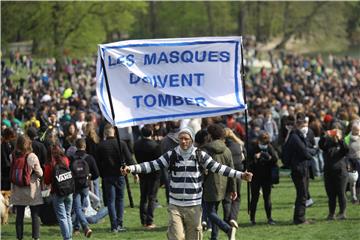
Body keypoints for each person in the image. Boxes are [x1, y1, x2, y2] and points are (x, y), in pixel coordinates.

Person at [121, 127, 253, 240]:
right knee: (177, 237)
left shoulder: (200, 155)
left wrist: (241, 175)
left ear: (191, 140)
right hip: (175, 205)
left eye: (186, 139)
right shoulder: (171, 155)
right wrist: (131, 168)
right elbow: (152, 165)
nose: (183, 141)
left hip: (194, 206)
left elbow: (220, 168)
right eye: (181, 139)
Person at [96, 123, 137, 232]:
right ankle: (119, 223)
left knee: (111, 201)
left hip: (107, 176)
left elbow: (97, 163)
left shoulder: (101, 146)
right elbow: (129, 159)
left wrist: (101, 174)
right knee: (120, 200)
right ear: (114, 131)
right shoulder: (121, 144)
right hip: (120, 175)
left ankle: (114, 226)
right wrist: (135, 173)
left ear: (105, 133)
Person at [202, 124, 238, 240]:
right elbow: (231, 170)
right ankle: (214, 237)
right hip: (224, 185)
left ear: (210, 135)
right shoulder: (227, 150)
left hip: (209, 184)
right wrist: (233, 189)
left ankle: (227, 229)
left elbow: (202, 169)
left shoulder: (205, 149)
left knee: (208, 212)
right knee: (214, 211)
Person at [283, 113, 316, 224]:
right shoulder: (295, 137)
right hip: (299, 169)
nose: (304, 127)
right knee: (302, 195)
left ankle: (301, 217)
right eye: (302, 124)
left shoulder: (298, 135)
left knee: (303, 194)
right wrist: (312, 152)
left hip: (303, 168)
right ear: (298, 125)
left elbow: (309, 148)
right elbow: (305, 152)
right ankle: (299, 219)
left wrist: (311, 151)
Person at [10, 135, 43, 240]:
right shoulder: (32, 156)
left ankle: (19, 237)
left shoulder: (13, 156)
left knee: (19, 216)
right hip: (31, 189)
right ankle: (35, 237)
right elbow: (40, 173)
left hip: (17, 189)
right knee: (35, 215)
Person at [133, 125, 162, 228]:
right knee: (152, 197)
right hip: (154, 174)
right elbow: (159, 162)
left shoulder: (136, 145)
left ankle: (143, 220)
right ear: (152, 133)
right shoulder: (156, 145)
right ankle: (149, 221)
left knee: (143, 197)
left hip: (142, 172)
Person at [44, 145, 74, 240]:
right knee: (68, 215)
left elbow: (47, 181)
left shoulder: (50, 165)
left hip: (57, 193)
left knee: (62, 217)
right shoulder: (66, 160)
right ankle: (70, 237)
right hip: (69, 191)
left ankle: (67, 238)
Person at [319, 123, 349, 220]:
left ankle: (342, 213)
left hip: (340, 172)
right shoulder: (327, 144)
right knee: (331, 194)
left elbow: (346, 149)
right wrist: (324, 136)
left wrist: (339, 139)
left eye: (337, 131)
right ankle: (331, 213)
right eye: (333, 131)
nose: (334, 133)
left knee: (341, 193)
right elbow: (321, 146)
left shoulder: (342, 144)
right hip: (328, 172)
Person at [248, 131, 278, 225]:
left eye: (265, 142)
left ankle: (269, 218)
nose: (264, 144)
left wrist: (268, 157)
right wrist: (255, 157)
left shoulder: (269, 147)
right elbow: (248, 164)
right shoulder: (253, 148)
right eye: (262, 142)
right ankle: (252, 219)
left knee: (267, 198)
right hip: (256, 177)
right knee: (254, 198)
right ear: (259, 141)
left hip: (267, 177)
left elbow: (275, 159)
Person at [222, 128, 245, 228]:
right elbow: (244, 158)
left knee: (227, 197)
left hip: (226, 173)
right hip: (238, 172)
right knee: (237, 197)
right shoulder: (238, 145)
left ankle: (227, 219)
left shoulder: (223, 147)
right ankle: (233, 217)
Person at [345, 120, 360, 203]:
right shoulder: (347, 138)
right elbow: (345, 151)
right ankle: (353, 197)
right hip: (350, 161)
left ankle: (358, 196)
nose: (357, 132)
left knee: (359, 180)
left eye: (358, 130)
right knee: (352, 180)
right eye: (356, 130)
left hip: (359, 161)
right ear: (351, 129)